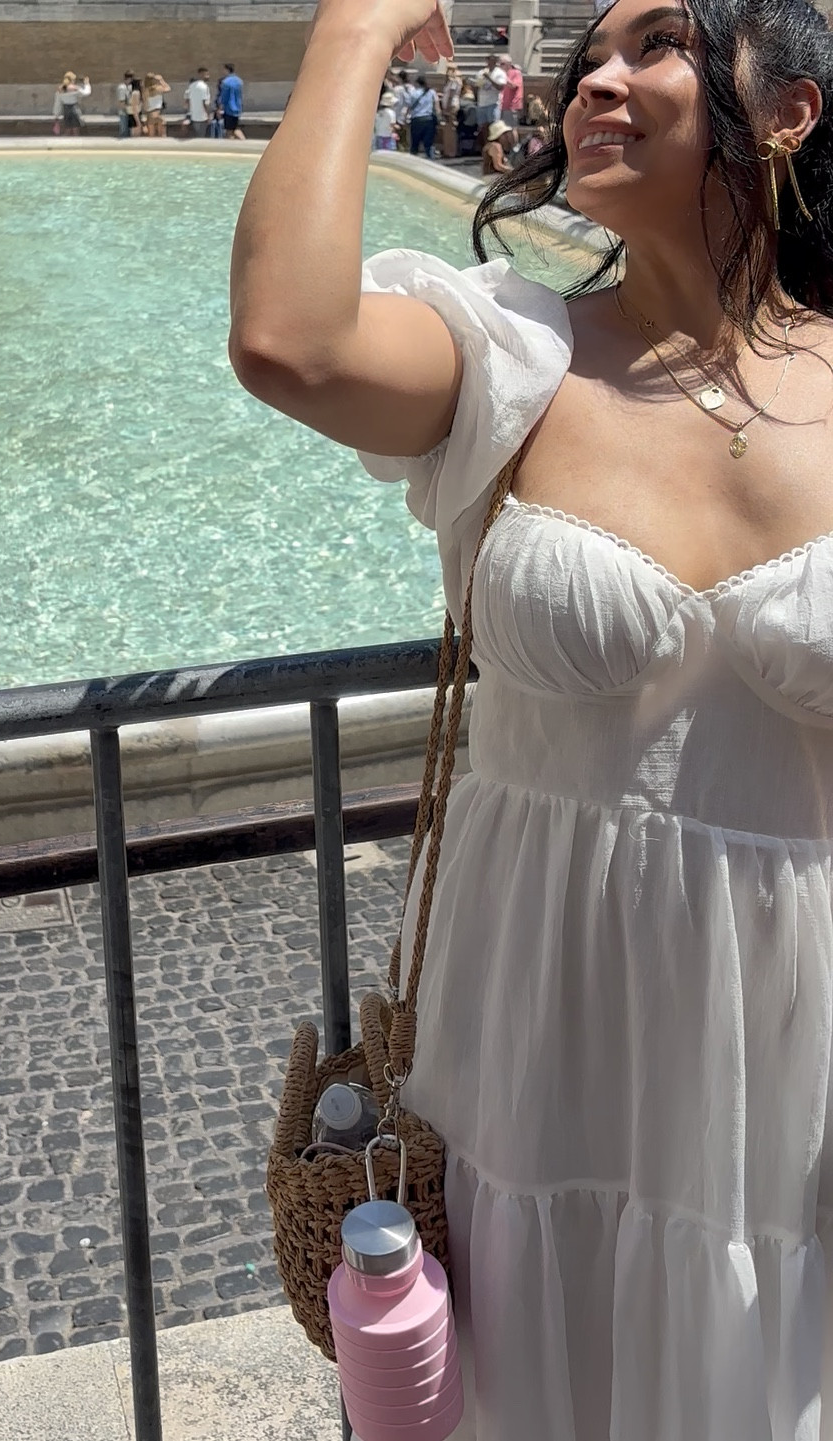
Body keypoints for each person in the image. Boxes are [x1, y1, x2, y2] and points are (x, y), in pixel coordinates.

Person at [229, 0, 833, 1435]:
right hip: (535, 1020)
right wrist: (361, 21)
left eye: (658, 46)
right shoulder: (513, 356)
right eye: (588, 62)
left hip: (795, 1032)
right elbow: (286, 340)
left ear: (793, 109)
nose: (599, 82)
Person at [406, 72, 441, 158]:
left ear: (417, 83)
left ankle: (413, 161)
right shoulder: (432, 92)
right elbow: (437, 107)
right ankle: (430, 161)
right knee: (428, 144)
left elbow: (409, 107)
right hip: (428, 119)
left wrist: (405, 117)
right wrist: (439, 118)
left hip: (416, 120)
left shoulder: (413, 93)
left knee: (415, 144)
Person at [474, 51, 508, 132]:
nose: (489, 63)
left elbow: (500, 87)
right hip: (481, 103)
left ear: (495, 62)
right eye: (488, 60)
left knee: (493, 127)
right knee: (482, 128)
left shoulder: (500, 73)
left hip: (493, 104)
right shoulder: (481, 72)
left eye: (492, 61)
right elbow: (477, 86)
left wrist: (489, 78)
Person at [51, 71, 90, 136]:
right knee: (76, 131)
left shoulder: (60, 89)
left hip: (66, 110)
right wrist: (87, 84)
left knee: (67, 130)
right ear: (73, 80)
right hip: (74, 109)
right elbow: (86, 93)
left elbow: (58, 102)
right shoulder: (75, 88)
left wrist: (56, 115)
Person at [439, 62, 463, 157]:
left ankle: (451, 151)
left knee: (450, 128)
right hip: (450, 105)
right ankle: (448, 149)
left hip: (451, 106)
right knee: (448, 128)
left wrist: (447, 108)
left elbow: (451, 95)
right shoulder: (451, 81)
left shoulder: (455, 81)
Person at [219, 62, 245, 139]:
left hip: (229, 108)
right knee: (235, 128)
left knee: (229, 130)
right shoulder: (239, 81)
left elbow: (224, 97)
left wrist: (220, 107)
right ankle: (244, 141)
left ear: (227, 70)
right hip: (237, 107)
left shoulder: (226, 82)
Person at [185, 67, 213, 138]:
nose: (208, 76)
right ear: (201, 74)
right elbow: (205, 103)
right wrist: (208, 115)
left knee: (197, 136)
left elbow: (188, 100)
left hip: (194, 115)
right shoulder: (204, 86)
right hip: (202, 117)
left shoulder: (191, 86)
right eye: (206, 74)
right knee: (202, 136)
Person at [141, 72, 170, 137]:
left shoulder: (145, 91)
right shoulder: (158, 88)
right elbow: (168, 88)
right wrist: (161, 80)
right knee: (162, 135)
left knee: (151, 135)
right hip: (157, 112)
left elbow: (145, 105)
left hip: (150, 113)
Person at [499, 53, 524, 129]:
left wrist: (505, 77)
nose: (500, 66)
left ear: (508, 64)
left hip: (511, 105)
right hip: (501, 105)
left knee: (511, 128)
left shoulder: (516, 73)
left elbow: (513, 86)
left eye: (502, 64)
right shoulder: (500, 74)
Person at [456, 80, 479, 155]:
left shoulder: (467, 97)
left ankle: (466, 148)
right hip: (470, 120)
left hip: (467, 120)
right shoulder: (468, 96)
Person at [373, 84, 399, 150]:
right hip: (388, 136)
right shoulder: (391, 113)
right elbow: (392, 125)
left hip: (379, 135)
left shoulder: (378, 112)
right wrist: (397, 127)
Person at [115, 71, 136, 139]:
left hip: (128, 111)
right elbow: (122, 101)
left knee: (128, 131)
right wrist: (129, 109)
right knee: (124, 131)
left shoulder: (128, 87)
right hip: (124, 112)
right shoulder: (122, 88)